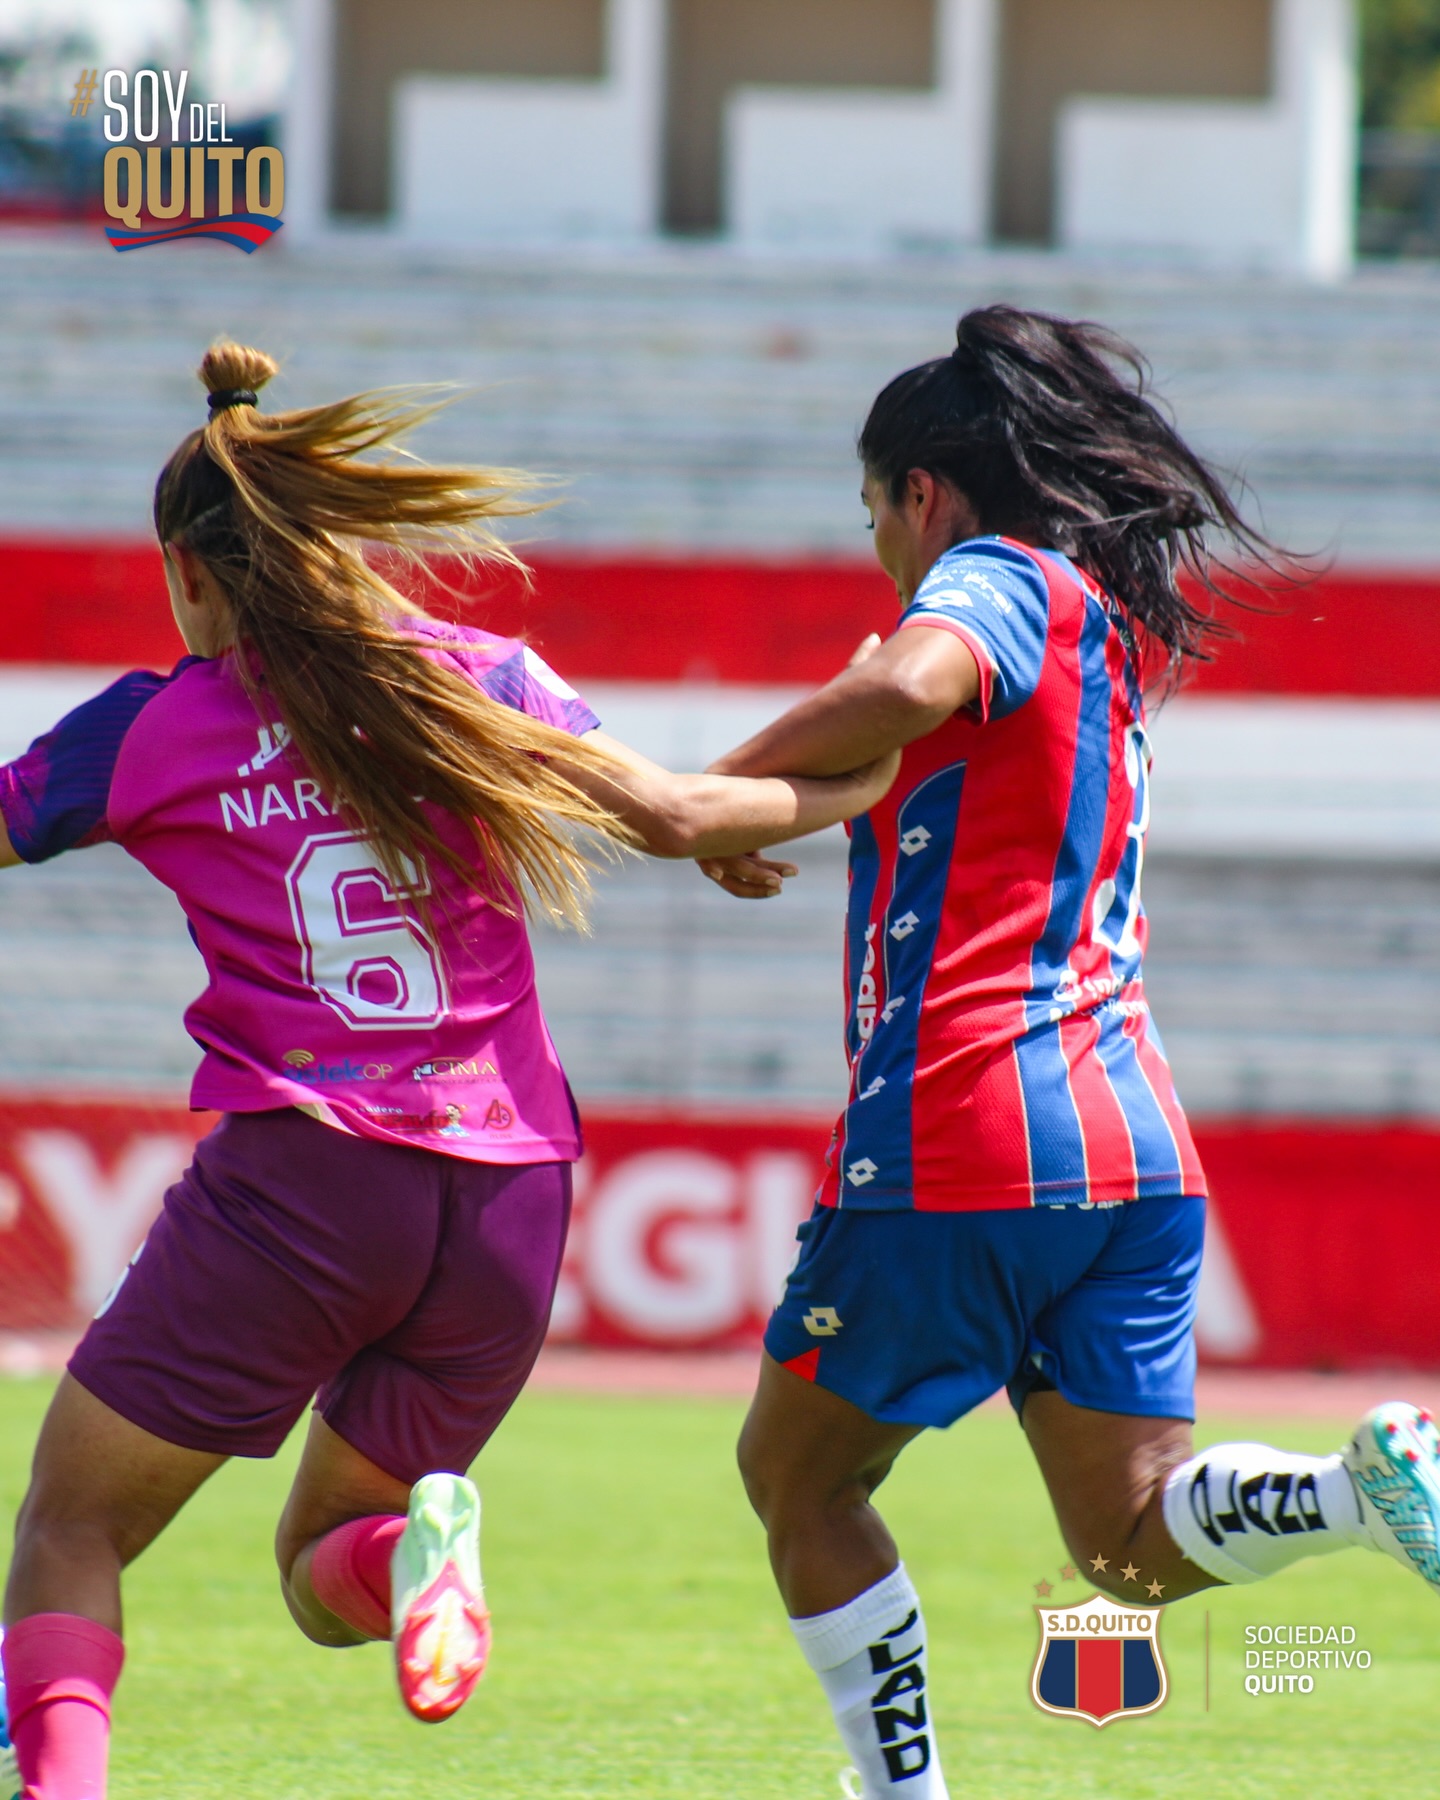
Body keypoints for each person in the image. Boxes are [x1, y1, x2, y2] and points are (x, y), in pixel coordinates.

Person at [0, 343, 897, 1800]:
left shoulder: (151, 728)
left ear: (194, 573)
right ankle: (412, 1558)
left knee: (70, 1530)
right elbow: (679, 815)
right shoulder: (481, 677)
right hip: (508, 1202)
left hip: (306, 1172)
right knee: (315, 1569)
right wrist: (870, 767)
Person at [698, 305, 1440, 1800]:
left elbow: (905, 687)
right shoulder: (1105, 629)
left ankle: (897, 1794)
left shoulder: (992, 576)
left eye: (875, 519)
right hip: (1132, 1151)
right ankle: (1351, 1493)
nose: (882, 559)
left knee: (798, 1477)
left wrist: (714, 781)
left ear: (927, 494)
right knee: (1129, 1543)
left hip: (966, 1131)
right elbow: (910, 737)